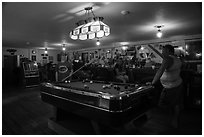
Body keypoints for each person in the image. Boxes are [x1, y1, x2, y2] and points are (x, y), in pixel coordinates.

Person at [150, 44, 183, 128]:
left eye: (163, 50)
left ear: (168, 51)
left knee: (168, 104)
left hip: (172, 87)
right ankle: (173, 118)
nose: (162, 52)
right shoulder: (177, 58)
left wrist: (152, 83)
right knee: (175, 103)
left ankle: (173, 120)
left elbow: (160, 71)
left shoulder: (168, 59)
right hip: (176, 84)